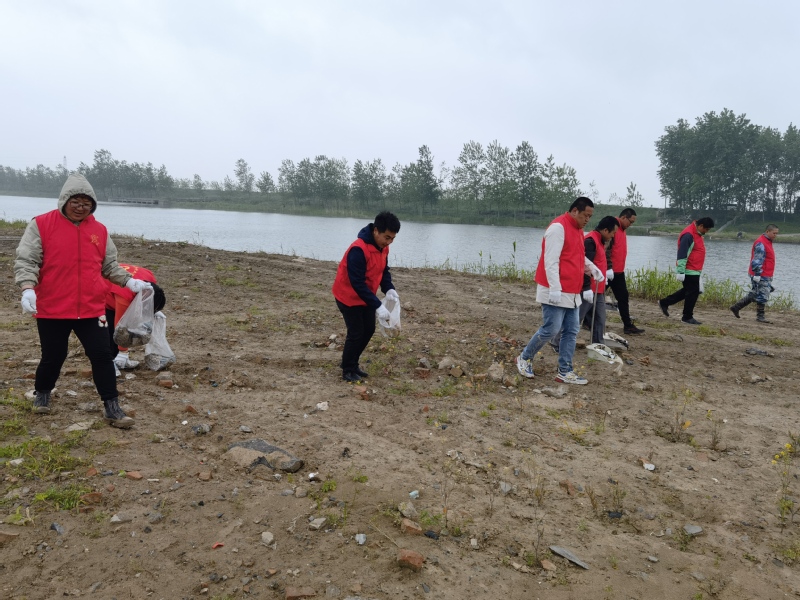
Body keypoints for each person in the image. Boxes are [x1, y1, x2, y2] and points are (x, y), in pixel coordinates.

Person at [14, 174, 152, 428]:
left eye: (86, 203)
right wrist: (27, 288)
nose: (80, 207)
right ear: (64, 200)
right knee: (53, 356)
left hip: (91, 307)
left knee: (102, 355)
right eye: (75, 202)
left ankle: (112, 406)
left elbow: (109, 266)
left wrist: (128, 281)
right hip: (53, 307)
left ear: (93, 205)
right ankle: (42, 393)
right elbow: (27, 259)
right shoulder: (41, 224)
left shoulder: (99, 230)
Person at [516, 197, 604, 385]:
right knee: (552, 328)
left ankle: (565, 371)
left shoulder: (578, 230)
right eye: (585, 215)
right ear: (575, 211)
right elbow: (551, 260)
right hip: (554, 289)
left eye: (590, 216)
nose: (587, 219)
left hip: (572, 290)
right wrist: (555, 288)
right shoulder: (558, 228)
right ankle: (524, 357)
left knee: (571, 331)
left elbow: (576, 256)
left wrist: (591, 267)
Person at [332, 211, 400, 382]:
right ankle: (347, 369)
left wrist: (388, 288)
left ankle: (353, 363)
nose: (389, 242)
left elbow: (383, 270)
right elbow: (357, 283)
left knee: (369, 330)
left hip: (366, 296)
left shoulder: (383, 248)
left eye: (392, 238)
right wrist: (377, 305)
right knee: (356, 333)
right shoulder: (358, 249)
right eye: (387, 237)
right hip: (347, 296)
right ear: (376, 231)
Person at [552, 216, 618, 352]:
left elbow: (600, 261)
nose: (613, 236)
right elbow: (583, 265)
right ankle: (557, 342)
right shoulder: (590, 241)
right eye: (612, 233)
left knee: (600, 318)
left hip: (598, 288)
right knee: (576, 318)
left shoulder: (601, 241)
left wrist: (605, 274)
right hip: (587, 289)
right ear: (605, 230)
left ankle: (598, 345)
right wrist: (586, 287)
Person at [104, 264, 166, 375]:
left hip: (114, 284)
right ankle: (109, 364)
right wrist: (123, 352)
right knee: (108, 331)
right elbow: (121, 328)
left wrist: (154, 310)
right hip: (100, 292)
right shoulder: (125, 297)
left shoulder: (149, 278)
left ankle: (117, 358)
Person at [658, 216, 715, 325]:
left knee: (689, 291)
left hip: (695, 269)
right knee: (693, 292)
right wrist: (680, 271)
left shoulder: (697, 233)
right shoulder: (688, 235)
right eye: (706, 229)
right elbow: (682, 254)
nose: (706, 232)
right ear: (701, 226)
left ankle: (665, 302)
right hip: (689, 269)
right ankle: (687, 317)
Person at [606, 208, 645, 335]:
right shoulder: (613, 227)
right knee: (595, 298)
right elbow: (606, 249)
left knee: (623, 298)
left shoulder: (623, 230)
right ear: (623, 217)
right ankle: (586, 321)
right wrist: (608, 268)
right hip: (607, 271)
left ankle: (628, 326)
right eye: (630, 221)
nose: (631, 225)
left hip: (618, 272)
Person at [729, 224, 779, 323]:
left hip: (766, 273)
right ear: (767, 231)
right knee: (763, 294)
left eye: (776, 233)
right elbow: (757, 260)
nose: (775, 235)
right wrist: (757, 274)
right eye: (774, 233)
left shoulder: (767, 242)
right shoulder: (761, 243)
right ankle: (760, 316)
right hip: (761, 273)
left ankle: (736, 307)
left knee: (757, 292)